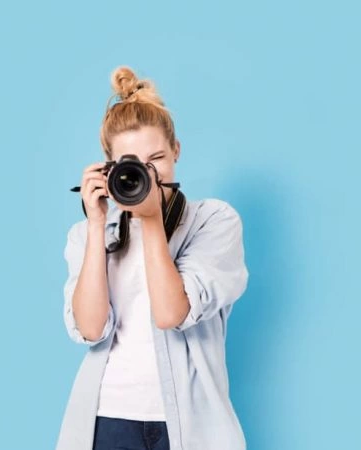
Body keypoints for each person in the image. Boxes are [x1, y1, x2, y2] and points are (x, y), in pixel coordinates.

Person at [55, 66, 249, 450]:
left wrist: (151, 219)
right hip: (107, 419)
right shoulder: (86, 235)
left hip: (191, 424)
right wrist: (96, 225)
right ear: (110, 168)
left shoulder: (214, 221)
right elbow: (91, 328)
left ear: (177, 150)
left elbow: (170, 314)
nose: (148, 173)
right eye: (131, 163)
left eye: (156, 158)